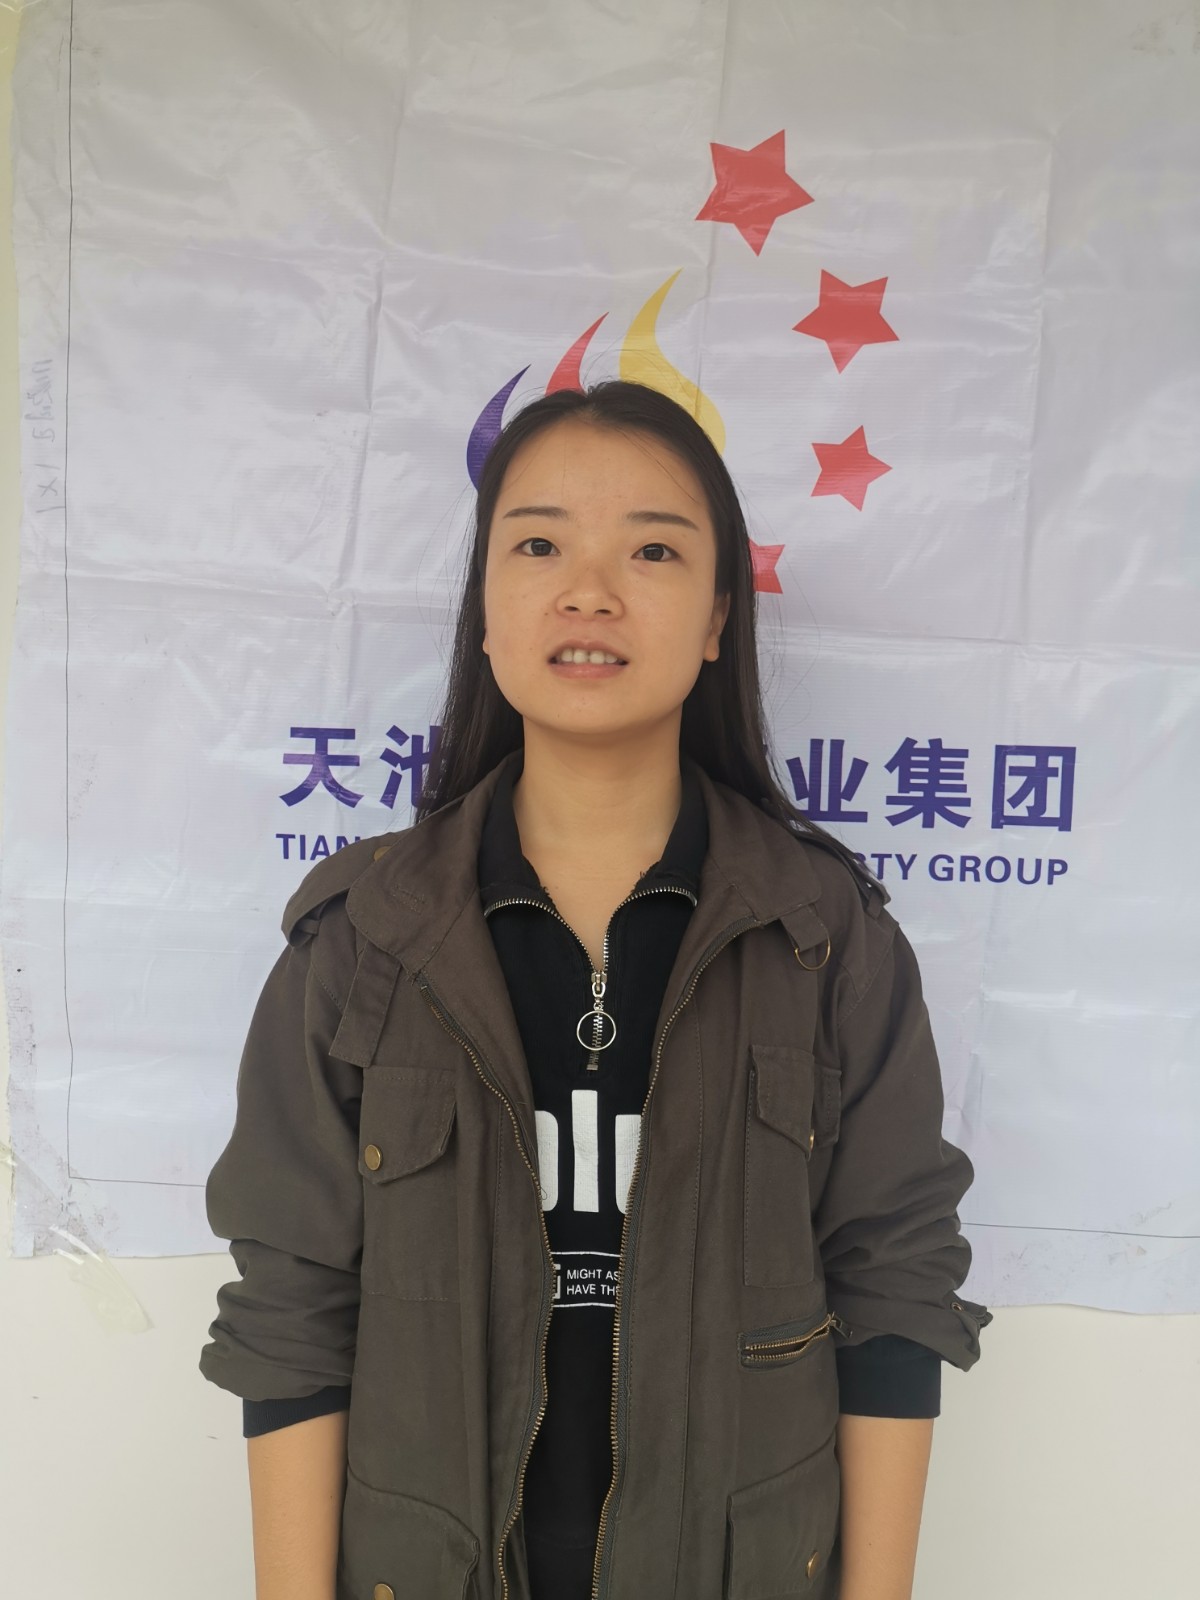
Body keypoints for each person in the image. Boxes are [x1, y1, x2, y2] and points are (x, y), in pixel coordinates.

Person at [199, 379, 992, 1600]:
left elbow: (892, 1290)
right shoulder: (363, 941)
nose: (590, 591)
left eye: (653, 550)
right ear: (485, 609)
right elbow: (293, 1315)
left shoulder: (826, 938)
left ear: (718, 618)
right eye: (539, 545)